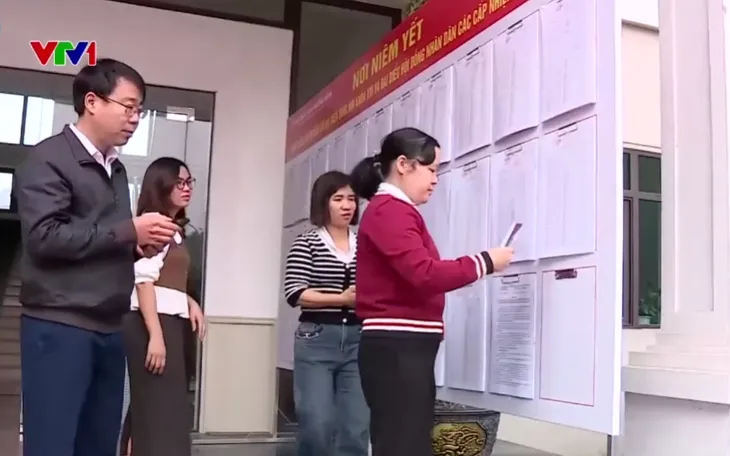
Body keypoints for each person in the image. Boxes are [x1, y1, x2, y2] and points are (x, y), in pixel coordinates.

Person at [14, 59, 180, 456]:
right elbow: (44, 238)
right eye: (129, 107)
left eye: (140, 110)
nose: (135, 119)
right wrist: (128, 231)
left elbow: (99, 237)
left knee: (99, 445)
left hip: (109, 326)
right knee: (53, 444)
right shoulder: (49, 159)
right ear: (92, 101)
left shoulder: (115, 168)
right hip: (60, 324)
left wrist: (138, 246)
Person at [349, 128, 514, 456]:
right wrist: (484, 262)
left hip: (405, 346)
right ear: (403, 165)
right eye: (432, 169)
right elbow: (423, 273)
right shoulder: (389, 211)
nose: (436, 179)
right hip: (397, 346)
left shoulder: (395, 210)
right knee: (402, 444)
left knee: (408, 441)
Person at [122, 157, 206, 456]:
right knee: (157, 410)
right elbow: (143, 281)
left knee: (157, 409)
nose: (186, 188)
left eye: (189, 182)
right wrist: (155, 336)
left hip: (169, 320)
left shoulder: (174, 229)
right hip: (151, 323)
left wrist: (188, 301)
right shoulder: (155, 225)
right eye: (178, 183)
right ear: (161, 185)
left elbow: (164, 278)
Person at [283, 170, 369, 456]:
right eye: (338, 198)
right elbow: (295, 292)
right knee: (316, 423)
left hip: (359, 338)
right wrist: (341, 299)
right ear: (323, 202)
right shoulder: (306, 242)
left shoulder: (365, 245)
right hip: (316, 338)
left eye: (351, 199)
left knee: (356, 426)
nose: (347, 205)